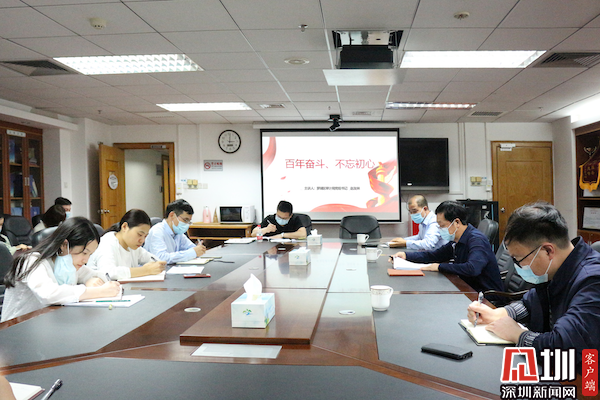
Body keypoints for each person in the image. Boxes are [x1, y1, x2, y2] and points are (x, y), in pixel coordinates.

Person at [467, 202, 600, 370]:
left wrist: (518, 335)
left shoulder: (593, 281)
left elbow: (564, 347)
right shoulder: (558, 268)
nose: (517, 266)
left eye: (519, 259)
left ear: (548, 251)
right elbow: (530, 302)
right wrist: (500, 313)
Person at [1, 217, 121, 322]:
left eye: (90, 255)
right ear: (64, 245)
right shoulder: (32, 261)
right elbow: (49, 294)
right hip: (17, 328)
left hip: (46, 324)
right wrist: (98, 291)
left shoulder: (69, 264)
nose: (86, 260)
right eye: (84, 253)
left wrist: (94, 280)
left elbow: (98, 275)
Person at [390, 200, 503, 294]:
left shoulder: (476, 239)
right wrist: (406, 255)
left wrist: (439, 267)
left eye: (442, 225)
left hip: (486, 297)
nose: (440, 229)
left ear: (456, 222)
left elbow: (472, 269)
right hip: (467, 288)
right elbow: (434, 255)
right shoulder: (456, 240)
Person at [87, 209, 166, 280]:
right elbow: (109, 273)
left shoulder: (132, 245)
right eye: (139, 234)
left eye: (145, 236)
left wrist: (157, 265)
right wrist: (146, 270)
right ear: (124, 227)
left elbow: (154, 260)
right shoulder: (107, 243)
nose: (142, 240)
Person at [144, 199, 206, 264]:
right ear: (172, 215)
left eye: (189, 221)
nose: (187, 224)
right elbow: (161, 258)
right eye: (185, 220)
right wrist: (192, 252)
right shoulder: (157, 231)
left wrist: (199, 249)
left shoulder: (178, 233)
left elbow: (192, 248)